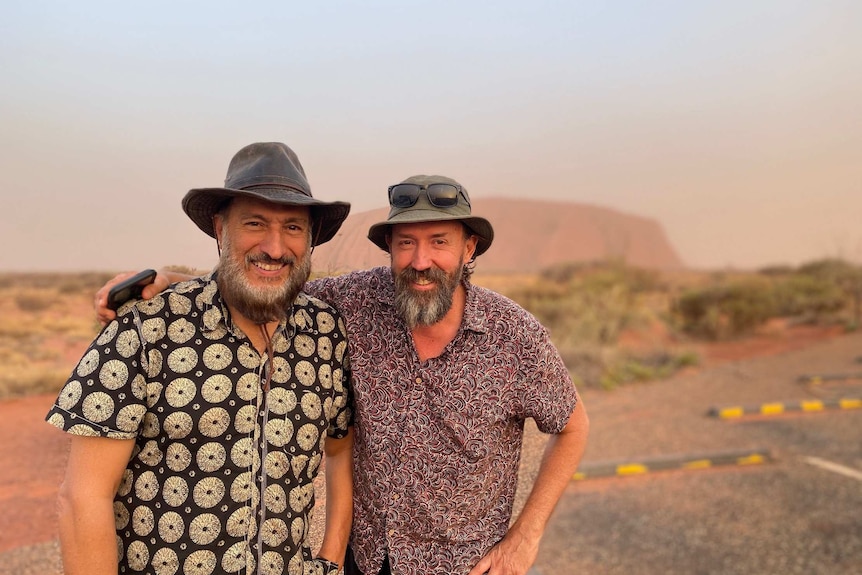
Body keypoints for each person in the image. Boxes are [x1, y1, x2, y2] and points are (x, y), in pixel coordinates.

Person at [96, 174, 590, 575]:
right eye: (406, 243)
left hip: (467, 564)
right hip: (367, 560)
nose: (421, 261)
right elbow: (270, 283)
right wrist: (169, 284)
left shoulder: (515, 337)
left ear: (469, 249)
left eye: (439, 242)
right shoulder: (355, 302)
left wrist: (524, 540)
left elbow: (573, 427)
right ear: (389, 249)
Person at [48, 142, 355, 575]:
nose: (274, 246)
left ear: (309, 240)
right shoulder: (148, 327)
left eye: (292, 227)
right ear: (219, 229)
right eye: (254, 223)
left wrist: (330, 560)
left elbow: (341, 452)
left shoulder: (324, 333)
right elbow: (82, 498)